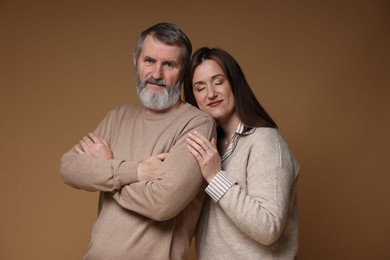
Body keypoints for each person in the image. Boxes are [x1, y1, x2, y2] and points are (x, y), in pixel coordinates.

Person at [60, 23, 215, 260]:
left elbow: (162, 202)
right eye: (149, 61)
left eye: (169, 65)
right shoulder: (118, 117)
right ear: (135, 61)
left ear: (183, 70)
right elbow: (69, 168)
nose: (156, 74)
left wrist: (106, 170)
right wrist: (137, 171)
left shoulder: (197, 124)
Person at [183, 47, 300, 259]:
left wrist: (215, 177)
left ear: (235, 84)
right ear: (194, 99)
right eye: (200, 88)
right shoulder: (209, 149)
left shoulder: (264, 141)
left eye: (218, 82)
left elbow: (269, 227)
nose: (211, 93)